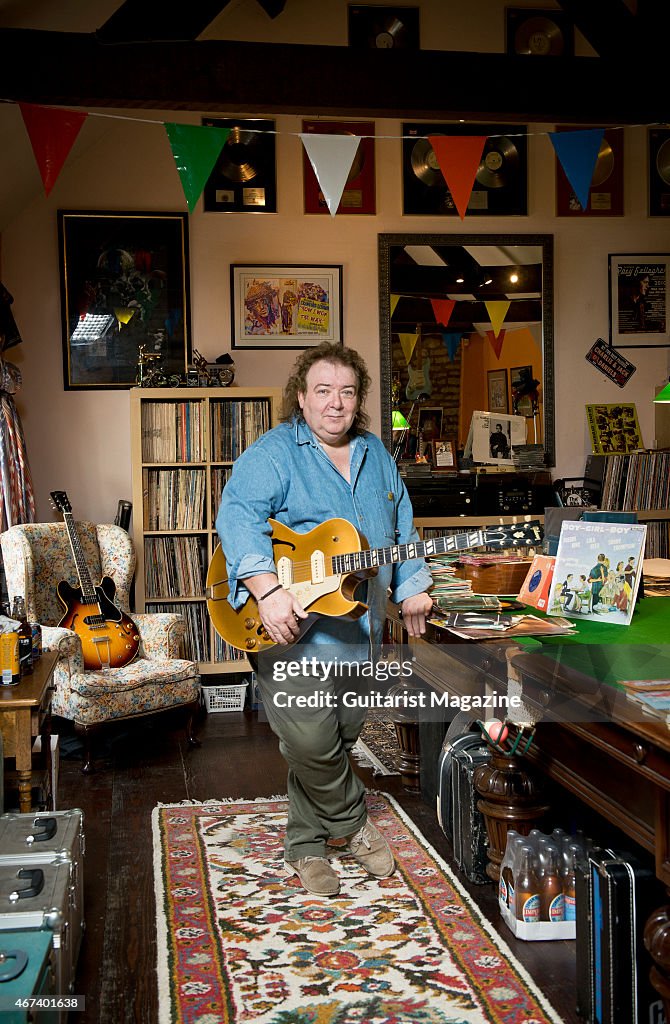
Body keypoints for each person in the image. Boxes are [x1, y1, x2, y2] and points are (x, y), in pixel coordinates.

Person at [216, 342, 433, 897]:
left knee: (340, 736)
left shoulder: (377, 455)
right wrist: (266, 589)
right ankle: (354, 825)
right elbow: (237, 517)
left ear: (358, 400)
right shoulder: (272, 454)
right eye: (323, 391)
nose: (336, 404)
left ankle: (305, 844)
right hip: (291, 634)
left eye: (347, 392)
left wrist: (410, 585)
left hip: (361, 633)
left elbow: (402, 523)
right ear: (301, 397)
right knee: (311, 744)